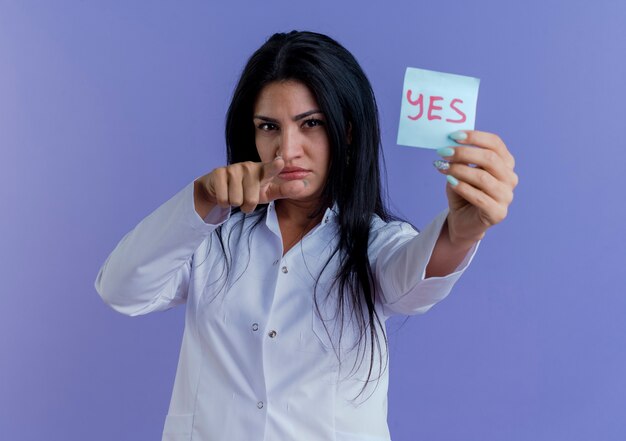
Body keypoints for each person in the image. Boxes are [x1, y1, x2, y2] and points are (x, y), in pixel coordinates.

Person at [95, 30, 517, 441]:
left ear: (346, 132)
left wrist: (462, 231)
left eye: (310, 123)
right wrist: (203, 198)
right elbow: (122, 289)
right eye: (268, 127)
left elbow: (414, 279)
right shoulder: (212, 236)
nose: (287, 150)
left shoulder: (375, 244)